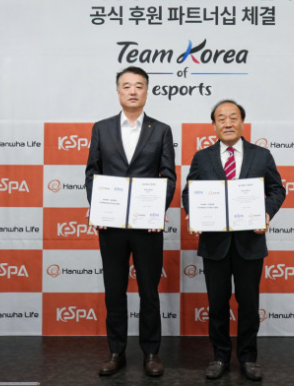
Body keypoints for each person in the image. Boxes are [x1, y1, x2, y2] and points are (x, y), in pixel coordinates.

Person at [181, 99, 285, 381]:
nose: (227, 123)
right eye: (221, 118)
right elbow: (189, 192)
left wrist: (266, 213)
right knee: (217, 304)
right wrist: (194, 213)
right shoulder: (202, 157)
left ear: (242, 122)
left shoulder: (261, 155)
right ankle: (220, 356)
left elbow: (277, 190)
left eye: (233, 117)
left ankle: (248, 358)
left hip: (250, 243)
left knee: (248, 304)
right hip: (214, 244)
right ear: (214, 125)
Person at [85, 66, 176, 377]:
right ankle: (116, 352)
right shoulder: (101, 128)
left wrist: (158, 210)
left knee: (149, 291)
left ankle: (151, 353)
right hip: (111, 225)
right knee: (114, 290)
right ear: (118, 91)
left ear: (147, 91)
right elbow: (92, 172)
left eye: (139, 85)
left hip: (147, 225)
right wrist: (97, 207)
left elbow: (168, 175)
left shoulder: (161, 130)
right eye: (127, 86)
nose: (133, 91)